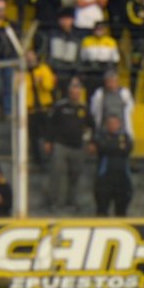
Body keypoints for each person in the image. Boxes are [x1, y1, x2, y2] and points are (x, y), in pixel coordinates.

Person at [44, 78, 92, 213]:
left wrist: (91, 141)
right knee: (57, 174)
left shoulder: (84, 108)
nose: (76, 93)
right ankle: (56, 203)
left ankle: (73, 201)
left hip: (78, 146)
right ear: (69, 92)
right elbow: (50, 124)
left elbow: (91, 125)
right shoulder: (60, 106)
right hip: (61, 145)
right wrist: (48, 141)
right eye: (73, 90)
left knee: (75, 175)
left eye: (78, 90)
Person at [93, 113, 133, 217]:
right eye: (110, 123)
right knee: (102, 210)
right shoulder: (101, 136)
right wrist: (117, 147)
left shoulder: (126, 137)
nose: (113, 126)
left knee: (121, 211)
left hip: (122, 176)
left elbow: (128, 149)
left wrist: (111, 146)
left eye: (115, 123)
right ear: (106, 125)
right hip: (105, 177)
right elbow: (103, 148)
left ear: (119, 124)